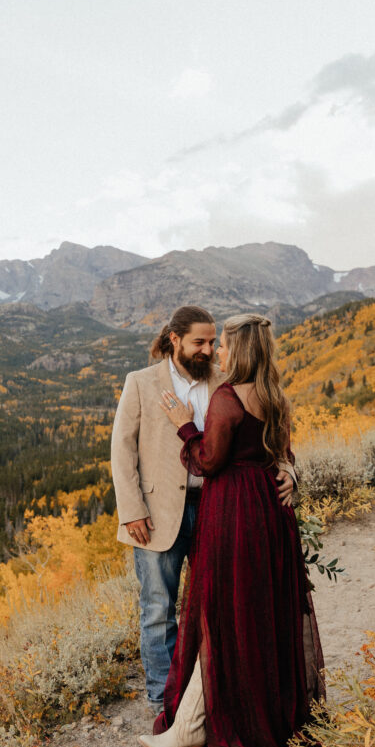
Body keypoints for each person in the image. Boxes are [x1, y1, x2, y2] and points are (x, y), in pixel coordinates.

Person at [138, 313, 324, 747]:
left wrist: (184, 425)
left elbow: (208, 460)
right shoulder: (275, 396)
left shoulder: (227, 397)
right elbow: (283, 452)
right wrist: (289, 473)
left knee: (220, 617)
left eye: (222, 345)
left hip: (233, 515)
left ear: (239, 350)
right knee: (257, 615)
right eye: (210, 343)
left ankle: (191, 726)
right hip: (270, 517)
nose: (216, 351)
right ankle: (233, 718)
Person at [111, 306, 296, 714]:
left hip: (221, 509)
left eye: (214, 342)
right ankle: (165, 700)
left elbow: (265, 434)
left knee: (219, 604)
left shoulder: (227, 381)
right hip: (157, 513)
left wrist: (288, 469)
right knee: (159, 608)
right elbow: (122, 449)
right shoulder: (140, 383)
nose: (209, 350)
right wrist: (131, 510)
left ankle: (213, 697)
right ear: (174, 340)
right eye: (200, 342)